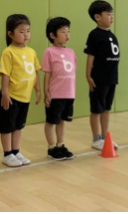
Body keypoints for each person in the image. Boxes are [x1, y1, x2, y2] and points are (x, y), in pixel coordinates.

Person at [0, 14, 41, 167]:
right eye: (21, 31)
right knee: (7, 127)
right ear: (10, 34)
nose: (26, 34)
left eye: (28, 31)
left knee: (18, 126)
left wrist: (38, 90)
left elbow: (35, 71)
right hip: (11, 96)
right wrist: (5, 93)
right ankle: (7, 154)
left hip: (24, 97)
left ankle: (16, 151)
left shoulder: (31, 52)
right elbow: (5, 74)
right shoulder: (8, 52)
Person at [84, 0, 120, 151]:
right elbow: (90, 56)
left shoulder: (111, 35)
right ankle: (96, 138)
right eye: (108, 14)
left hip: (111, 78)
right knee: (96, 109)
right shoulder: (94, 35)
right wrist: (88, 76)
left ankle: (105, 137)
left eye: (112, 14)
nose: (112, 17)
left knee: (106, 109)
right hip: (99, 78)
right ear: (97, 17)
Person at [42, 17, 76, 161]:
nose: (67, 35)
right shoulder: (49, 52)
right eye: (63, 32)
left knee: (62, 121)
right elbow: (47, 74)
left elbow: (72, 73)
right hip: (55, 94)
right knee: (51, 121)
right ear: (52, 35)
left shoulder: (71, 52)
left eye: (68, 31)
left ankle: (61, 145)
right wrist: (46, 92)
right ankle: (51, 147)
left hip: (68, 94)